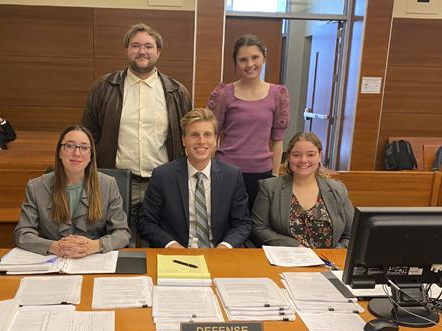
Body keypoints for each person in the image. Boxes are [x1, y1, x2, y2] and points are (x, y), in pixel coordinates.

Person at [81, 23, 192, 237]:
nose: (142, 51)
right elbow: (88, 136)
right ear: (126, 50)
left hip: (162, 183)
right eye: (136, 45)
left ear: (158, 52)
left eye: (149, 46)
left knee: (162, 242)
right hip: (117, 182)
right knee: (118, 243)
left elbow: (185, 140)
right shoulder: (103, 88)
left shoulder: (177, 92)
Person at [137, 108, 252, 249]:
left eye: (207, 135)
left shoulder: (232, 176)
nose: (201, 141)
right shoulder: (163, 176)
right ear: (184, 140)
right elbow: (146, 222)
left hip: (218, 254)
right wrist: (171, 245)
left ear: (215, 140)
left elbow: (242, 223)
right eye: (194, 135)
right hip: (176, 256)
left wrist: (225, 246)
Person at [14, 125, 130, 257]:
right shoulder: (36, 187)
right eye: (69, 146)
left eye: (84, 147)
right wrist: (54, 247)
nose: (77, 153)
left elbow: (122, 233)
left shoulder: (108, 185)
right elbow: (23, 234)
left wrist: (95, 245)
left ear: (91, 155)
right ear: (59, 152)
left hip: (94, 259)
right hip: (54, 260)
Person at [207, 34, 290, 208]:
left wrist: (274, 177)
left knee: (257, 227)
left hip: (262, 174)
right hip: (226, 171)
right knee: (226, 225)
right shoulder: (224, 94)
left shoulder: (277, 94)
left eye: (255, 57)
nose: (250, 64)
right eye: (243, 59)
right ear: (236, 62)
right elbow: (211, 136)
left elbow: (277, 142)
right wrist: (210, 170)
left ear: (264, 58)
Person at [252, 132, 354, 248]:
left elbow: (351, 234)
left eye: (310, 155)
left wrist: (333, 255)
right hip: (286, 259)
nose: (303, 160)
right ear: (289, 156)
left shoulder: (338, 190)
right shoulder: (270, 188)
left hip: (329, 262)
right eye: (296, 155)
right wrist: (294, 246)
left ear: (320, 156)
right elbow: (259, 228)